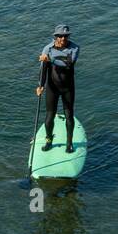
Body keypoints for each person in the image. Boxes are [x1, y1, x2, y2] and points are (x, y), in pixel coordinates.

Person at [37, 24, 79, 154]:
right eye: (60, 36)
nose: (63, 38)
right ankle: (49, 141)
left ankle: (69, 144)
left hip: (68, 88)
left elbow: (68, 64)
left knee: (69, 115)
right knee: (49, 116)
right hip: (52, 88)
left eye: (66, 36)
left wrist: (50, 59)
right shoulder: (47, 49)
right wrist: (41, 85)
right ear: (55, 37)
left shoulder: (74, 48)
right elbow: (43, 69)